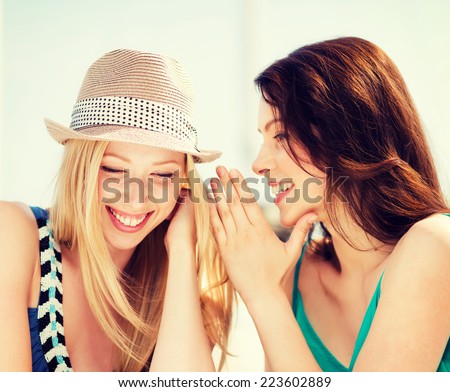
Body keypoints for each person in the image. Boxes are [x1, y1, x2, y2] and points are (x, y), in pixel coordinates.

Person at [209, 37, 450, 371]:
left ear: (344, 133)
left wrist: (263, 294)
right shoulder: (294, 276)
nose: (259, 164)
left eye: (280, 136)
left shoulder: (434, 244)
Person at [0, 49, 233, 372]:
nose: (136, 199)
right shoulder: (12, 236)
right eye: (113, 169)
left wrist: (181, 248)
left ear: (183, 184)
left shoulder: (182, 294)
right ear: (81, 165)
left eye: (162, 174)